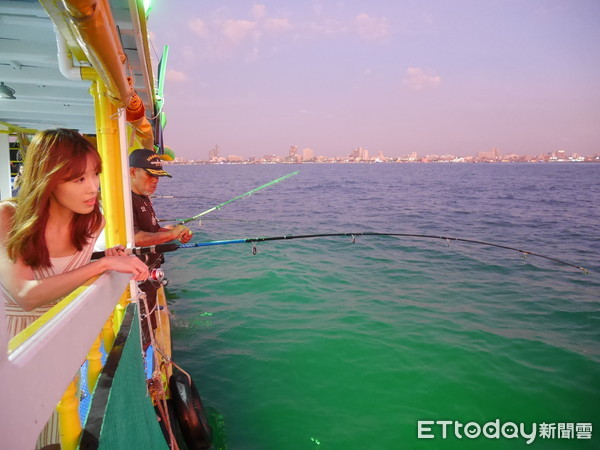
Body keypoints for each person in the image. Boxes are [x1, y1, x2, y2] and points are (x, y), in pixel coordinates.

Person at [0, 128, 149, 447]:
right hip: (11, 342)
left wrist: (103, 261)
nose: (93, 186)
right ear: (49, 178)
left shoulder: (93, 222)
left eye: (95, 174)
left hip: (57, 336)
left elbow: (63, 275)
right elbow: (25, 296)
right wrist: (103, 265)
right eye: (78, 179)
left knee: (54, 435)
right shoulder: (7, 215)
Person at [129, 148, 192, 347]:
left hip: (150, 276)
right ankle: (147, 375)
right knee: (142, 334)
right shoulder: (126, 199)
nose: (155, 181)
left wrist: (175, 231)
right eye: (150, 175)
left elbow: (153, 230)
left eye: (158, 176)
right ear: (132, 172)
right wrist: (171, 234)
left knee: (150, 325)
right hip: (137, 281)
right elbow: (135, 238)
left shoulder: (143, 197)